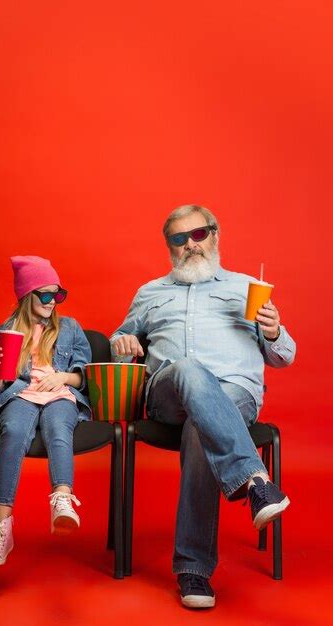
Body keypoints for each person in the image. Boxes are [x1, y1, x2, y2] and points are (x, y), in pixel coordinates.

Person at [110, 205, 296, 609]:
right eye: (179, 239)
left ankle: (192, 569)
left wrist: (274, 331)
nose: (190, 245)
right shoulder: (150, 293)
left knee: (202, 424)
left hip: (235, 394)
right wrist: (122, 344)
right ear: (169, 248)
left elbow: (283, 357)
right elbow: (120, 341)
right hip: (167, 395)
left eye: (198, 235)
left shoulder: (247, 287)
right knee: (191, 371)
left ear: (215, 236)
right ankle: (256, 482)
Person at [0, 255, 91, 566]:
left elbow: (85, 376)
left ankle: (62, 500)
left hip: (60, 394)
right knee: (13, 430)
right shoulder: (4, 333)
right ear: (26, 295)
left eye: (58, 294)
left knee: (58, 427)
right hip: (19, 395)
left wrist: (62, 377)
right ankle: (1, 527)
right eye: (45, 294)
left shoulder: (69, 328)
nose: (53, 301)